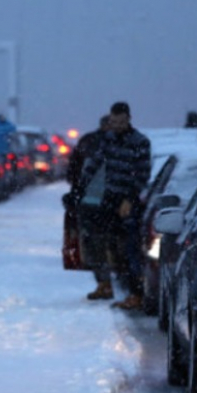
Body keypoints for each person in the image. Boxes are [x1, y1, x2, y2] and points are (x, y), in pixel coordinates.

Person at [68, 102, 151, 310]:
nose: (116, 125)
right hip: (108, 198)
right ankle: (105, 284)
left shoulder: (140, 142)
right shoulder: (108, 139)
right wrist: (80, 189)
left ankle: (136, 293)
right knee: (103, 243)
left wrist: (130, 199)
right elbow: (94, 165)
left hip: (127, 201)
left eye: (120, 122)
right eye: (113, 121)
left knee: (127, 248)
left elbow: (142, 174)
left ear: (129, 119)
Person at [62, 115, 112, 288]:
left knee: (93, 240)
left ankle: (103, 279)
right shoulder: (106, 144)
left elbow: (74, 171)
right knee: (100, 241)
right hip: (99, 200)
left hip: (92, 200)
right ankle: (105, 279)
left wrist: (77, 189)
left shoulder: (89, 142)